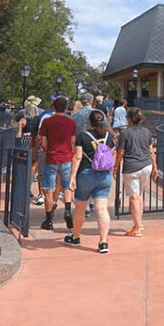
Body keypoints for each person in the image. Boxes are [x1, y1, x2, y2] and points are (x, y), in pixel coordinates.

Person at [66, 109, 116, 253]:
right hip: (104, 175)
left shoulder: (82, 136)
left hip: (86, 174)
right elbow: (111, 152)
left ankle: (76, 237)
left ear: (89, 122)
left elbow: (77, 156)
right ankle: (103, 242)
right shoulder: (108, 136)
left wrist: (72, 176)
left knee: (80, 207)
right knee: (101, 209)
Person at [115, 107, 158, 237]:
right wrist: (155, 167)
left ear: (128, 119)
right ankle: (138, 223)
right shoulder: (147, 132)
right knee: (139, 195)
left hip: (131, 167)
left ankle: (137, 227)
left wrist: (115, 166)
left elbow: (120, 152)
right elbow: (151, 151)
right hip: (146, 165)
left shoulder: (125, 134)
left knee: (133, 197)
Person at [36, 96, 76, 231]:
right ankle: (68, 210)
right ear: (66, 108)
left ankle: (48, 219)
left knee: (48, 189)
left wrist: (48, 150)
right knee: (66, 186)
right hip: (66, 157)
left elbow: (42, 141)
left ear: (53, 107)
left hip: (51, 158)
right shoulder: (70, 122)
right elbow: (72, 141)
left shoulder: (47, 122)